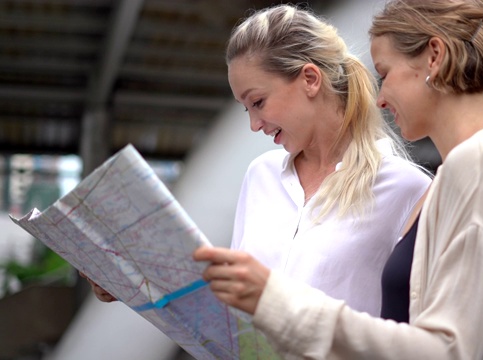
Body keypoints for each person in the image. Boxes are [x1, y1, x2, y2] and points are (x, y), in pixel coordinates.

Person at [194, 0, 483, 359]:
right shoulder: (464, 171)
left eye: (385, 74)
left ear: (434, 58)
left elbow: (446, 350)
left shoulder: (481, 164)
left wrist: (275, 302)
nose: (380, 97)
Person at [86, 3, 431, 319]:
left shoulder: (408, 189)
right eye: (246, 108)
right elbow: (237, 313)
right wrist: (136, 282)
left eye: (259, 102)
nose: (254, 125)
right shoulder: (260, 176)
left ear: (310, 79)